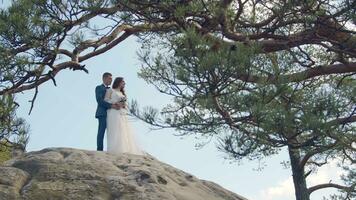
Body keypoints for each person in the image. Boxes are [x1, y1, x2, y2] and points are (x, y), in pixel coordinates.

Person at [104, 77, 143, 155]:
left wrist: (123, 105)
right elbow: (106, 100)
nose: (124, 83)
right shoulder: (110, 90)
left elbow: (125, 104)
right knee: (114, 128)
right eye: (123, 82)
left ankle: (123, 148)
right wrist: (115, 103)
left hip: (121, 112)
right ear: (118, 82)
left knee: (122, 129)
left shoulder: (122, 94)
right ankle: (114, 148)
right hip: (113, 111)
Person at [95, 72, 121, 151]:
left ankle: (113, 149)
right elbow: (99, 100)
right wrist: (111, 106)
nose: (111, 80)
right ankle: (100, 150)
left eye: (112, 79)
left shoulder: (111, 90)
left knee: (112, 132)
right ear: (104, 78)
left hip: (112, 114)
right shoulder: (99, 87)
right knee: (101, 131)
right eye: (109, 78)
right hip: (102, 113)